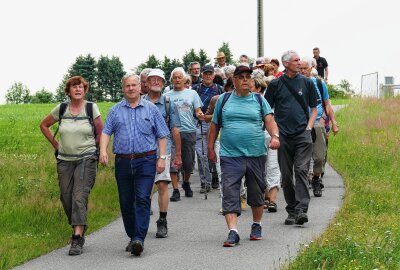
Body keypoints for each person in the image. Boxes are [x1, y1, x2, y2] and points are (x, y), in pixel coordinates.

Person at [208, 65, 280, 247]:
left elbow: (270, 120)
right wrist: (210, 148)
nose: (246, 79)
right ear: (234, 80)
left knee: (256, 192)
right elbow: (214, 125)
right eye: (241, 77)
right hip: (230, 155)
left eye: (248, 76)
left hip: (255, 154)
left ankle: (256, 224)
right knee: (230, 192)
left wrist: (275, 136)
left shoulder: (258, 100)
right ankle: (233, 231)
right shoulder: (223, 100)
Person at [100, 73, 169, 256]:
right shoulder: (115, 110)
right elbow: (106, 132)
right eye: (127, 86)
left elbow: (162, 134)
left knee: (142, 198)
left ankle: (139, 238)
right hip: (123, 161)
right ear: (123, 89)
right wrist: (103, 150)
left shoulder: (151, 109)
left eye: (134, 85)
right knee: (125, 202)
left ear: (140, 87)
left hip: (145, 160)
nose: (131, 88)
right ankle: (133, 236)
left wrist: (161, 158)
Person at [39, 76, 103, 256]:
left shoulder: (91, 108)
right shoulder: (61, 108)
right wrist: (56, 145)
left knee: (79, 196)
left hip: (86, 158)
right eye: (74, 87)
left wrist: (96, 151)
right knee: (66, 198)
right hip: (64, 159)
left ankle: (77, 238)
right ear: (68, 91)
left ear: (85, 90)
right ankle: (80, 225)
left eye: (81, 87)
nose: (78, 89)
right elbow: (44, 125)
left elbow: (101, 132)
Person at [265, 50, 318, 226]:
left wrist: (309, 127)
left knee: (301, 170)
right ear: (286, 63)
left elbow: (314, 109)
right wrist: (275, 133)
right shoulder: (275, 84)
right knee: (286, 175)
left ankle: (302, 209)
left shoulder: (307, 83)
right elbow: (268, 111)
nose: (299, 62)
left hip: (303, 134)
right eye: (295, 60)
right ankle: (292, 209)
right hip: (283, 136)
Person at [143, 69, 182, 238]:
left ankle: (162, 221)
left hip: (163, 151)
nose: (156, 82)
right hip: (141, 151)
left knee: (162, 185)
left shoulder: (168, 103)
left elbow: (175, 130)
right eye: (153, 79)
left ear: (164, 83)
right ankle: (142, 221)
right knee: (142, 189)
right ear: (146, 82)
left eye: (159, 79)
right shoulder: (139, 101)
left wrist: (178, 154)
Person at [299, 58, 339, 197]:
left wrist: (333, 123)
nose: (303, 71)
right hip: (299, 124)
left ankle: (316, 178)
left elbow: (327, 104)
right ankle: (303, 185)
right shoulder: (294, 83)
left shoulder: (319, 83)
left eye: (305, 68)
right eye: (300, 68)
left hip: (317, 123)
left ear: (311, 68)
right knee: (301, 159)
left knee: (320, 157)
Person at [164, 67, 205, 202]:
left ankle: (186, 182)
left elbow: (198, 110)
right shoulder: (166, 96)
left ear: (184, 79)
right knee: (173, 163)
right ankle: (175, 190)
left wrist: (200, 115)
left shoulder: (192, 94)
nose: (177, 80)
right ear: (171, 80)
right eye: (174, 78)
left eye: (179, 77)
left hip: (188, 131)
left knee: (188, 163)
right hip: (171, 132)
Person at [193, 65, 222, 192]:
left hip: (215, 122)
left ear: (214, 75)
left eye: (210, 73)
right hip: (200, 122)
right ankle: (205, 181)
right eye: (206, 74)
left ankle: (214, 174)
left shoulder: (219, 89)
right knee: (201, 154)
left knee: (215, 151)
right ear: (202, 75)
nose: (208, 76)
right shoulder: (195, 89)